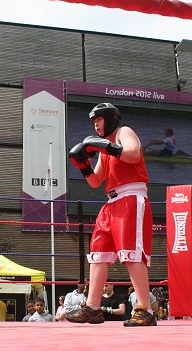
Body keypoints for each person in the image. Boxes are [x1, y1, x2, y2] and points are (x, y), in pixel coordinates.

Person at [66, 103, 156, 327]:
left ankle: (145, 309)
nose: (95, 124)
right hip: (111, 202)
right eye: (93, 121)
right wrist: (83, 164)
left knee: (131, 253)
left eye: (98, 119)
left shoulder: (123, 132)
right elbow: (96, 181)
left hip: (131, 196)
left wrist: (105, 146)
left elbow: (133, 154)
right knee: (98, 252)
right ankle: (93, 308)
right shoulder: (104, 150)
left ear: (110, 118)